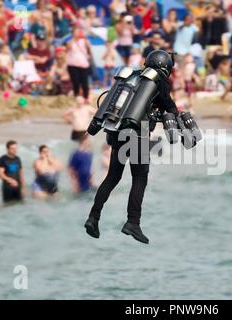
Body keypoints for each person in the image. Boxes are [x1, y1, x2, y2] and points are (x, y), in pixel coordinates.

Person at [85, 50, 181, 244]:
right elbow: (170, 107)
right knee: (139, 177)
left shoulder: (131, 76)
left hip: (117, 131)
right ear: (165, 67)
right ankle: (133, 223)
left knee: (113, 176)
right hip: (137, 133)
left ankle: (93, 217)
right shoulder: (158, 81)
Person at [66, 28, 92, 100]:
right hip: (73, 65)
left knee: (85, 82)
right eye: (76, 32)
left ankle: (86, 97)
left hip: (83, 64)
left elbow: (89, 48)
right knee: (75, 82)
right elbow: (67, 49)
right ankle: (76, 96)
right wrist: (74, 39)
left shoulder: (84, 41)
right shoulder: (70, 42)